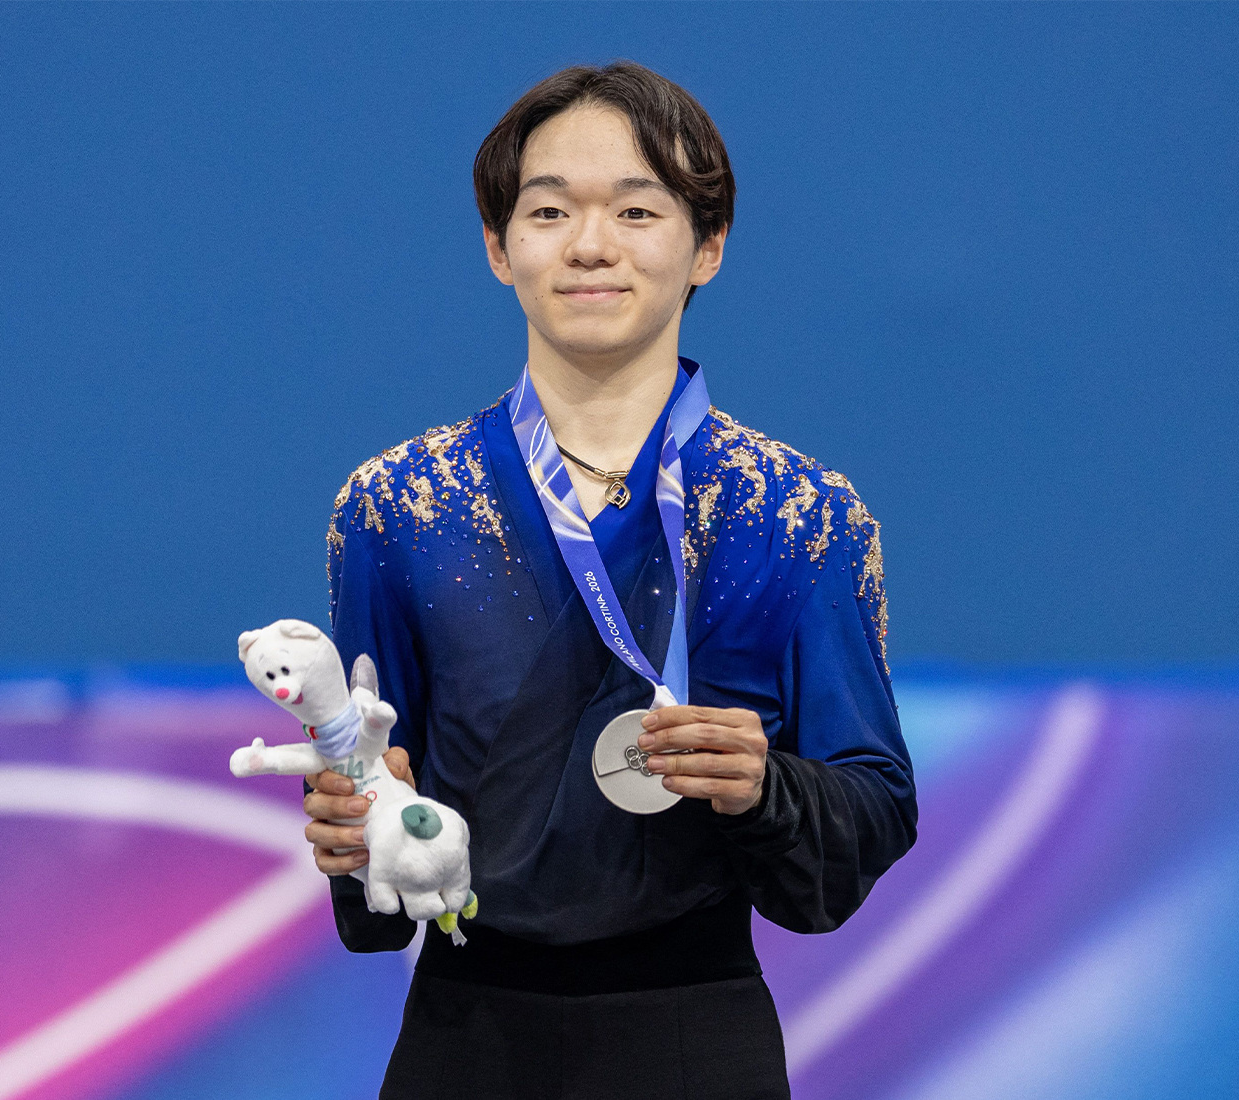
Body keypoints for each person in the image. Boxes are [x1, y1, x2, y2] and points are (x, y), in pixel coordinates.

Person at [302, 60, 917, 1099]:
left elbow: (874, 803)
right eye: (548, 211)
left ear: (706, 247)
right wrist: (355, 828)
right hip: (466, 1040)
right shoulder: (397, 507)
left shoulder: (800, 513)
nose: (590, 244)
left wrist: (765, 785)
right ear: (499, 248)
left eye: (637, 209)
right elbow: (377, 830)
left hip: (696, 1038)